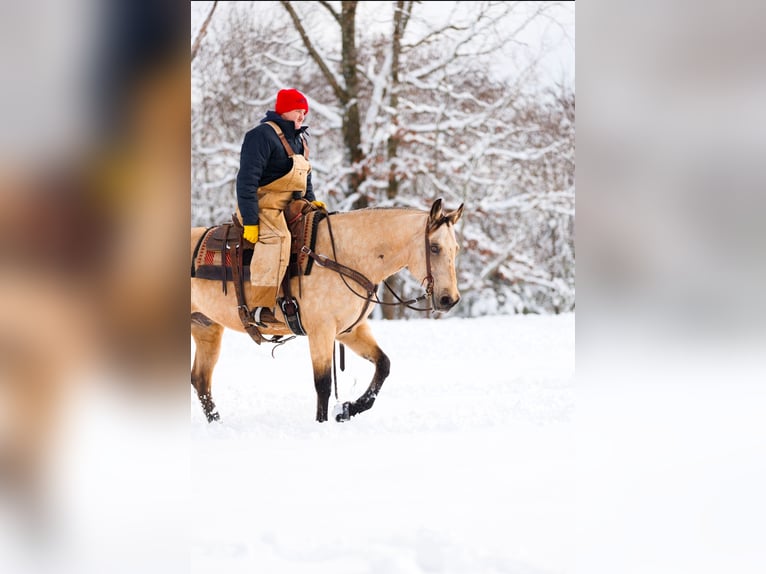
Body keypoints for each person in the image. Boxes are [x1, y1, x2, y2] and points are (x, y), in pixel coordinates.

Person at [235, 88, 325, 321]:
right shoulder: (261, 136)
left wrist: (310, 202)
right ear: (284, 111)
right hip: (263, 206)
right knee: (279, 239)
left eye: (304, 112)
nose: (302, 116)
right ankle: (260, 307)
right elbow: (246, 181)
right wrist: (251, 221)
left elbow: (304, 178)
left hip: (290, 205)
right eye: (298, 111)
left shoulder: (300, 140)